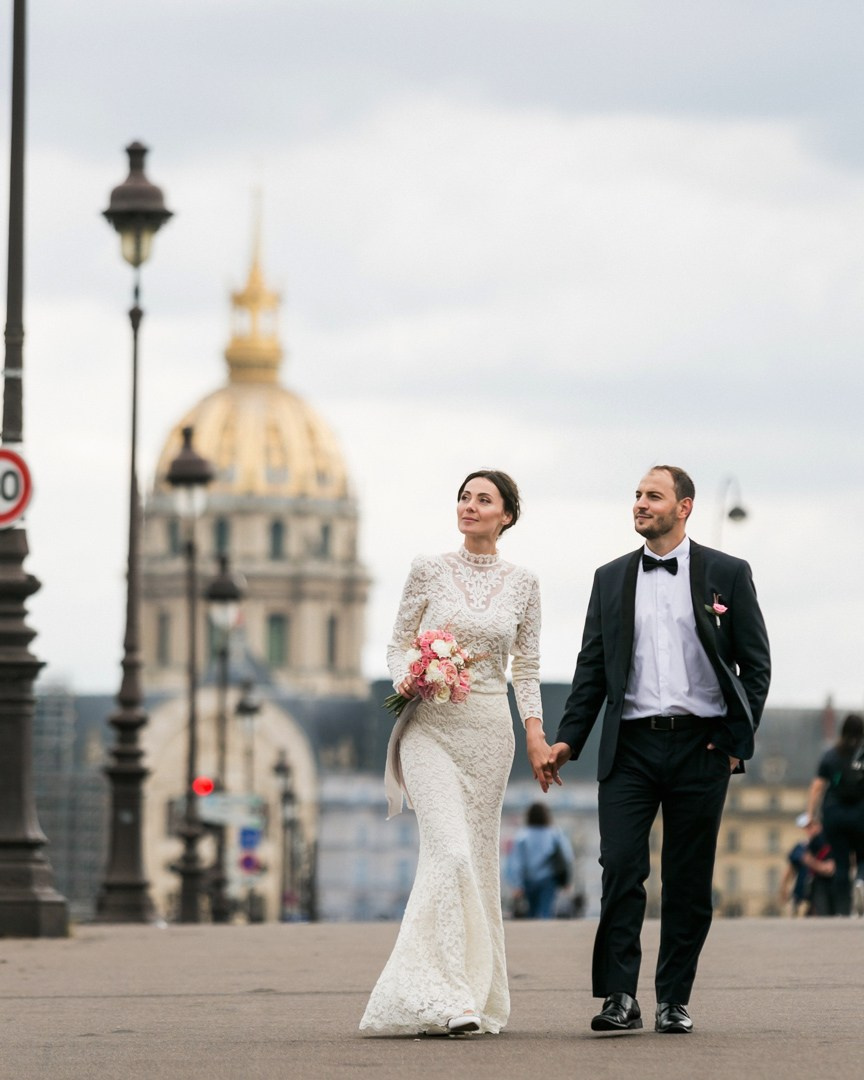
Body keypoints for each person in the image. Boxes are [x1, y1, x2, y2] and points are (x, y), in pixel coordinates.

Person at [529, 465, 770, 1035]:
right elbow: (591, 670)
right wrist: (567, 741)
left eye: (653, 496)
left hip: (701, 745)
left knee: (688, 879)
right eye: (637, 495)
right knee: (620, 869)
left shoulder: (727, 574)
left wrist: (736, 743)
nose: (640, 504)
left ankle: (673, 999)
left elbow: (755, 666)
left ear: (683, 507)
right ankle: (619, 997)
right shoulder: (610, 578)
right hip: (630, 746)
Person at [359, 469, 542, 1036]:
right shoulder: (428, 570)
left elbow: (527, 670)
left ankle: (475, 993)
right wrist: (408, 677)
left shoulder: (524, 583)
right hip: (429, 729)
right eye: (464, 497)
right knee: (451, 851)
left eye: (482, 499)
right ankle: (444, 995)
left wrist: (536, 733)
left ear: (506, 515)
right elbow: (395, 643)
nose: (469, 506)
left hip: (490, 733)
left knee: (477, 861)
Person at [804, 714, 864, 917]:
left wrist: (810, 815)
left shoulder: (831, 755)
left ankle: (842, 911)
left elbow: (817, 787)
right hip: (861, 815)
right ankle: (861, 882)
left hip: (834, 815)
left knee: (841, 862)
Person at [506, 802, 574, 919]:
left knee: (530, 912)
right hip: (548, 879)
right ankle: (545, 933)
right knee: (546, 911)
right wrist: (567, 880)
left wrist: (516, 884)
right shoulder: (555, 834)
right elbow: (567, 856)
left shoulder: (522, 836)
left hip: (528, 880)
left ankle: (532, 935)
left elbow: (515, 862)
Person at [779, 817, 835, 917]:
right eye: (806, 828)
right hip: (803, 895)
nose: (809, 830)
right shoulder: (801, 847)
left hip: (824, 893)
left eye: (812, 826)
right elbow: (790, 870)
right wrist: (784, 888)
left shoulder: (829, 846)